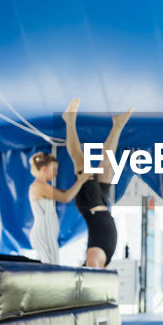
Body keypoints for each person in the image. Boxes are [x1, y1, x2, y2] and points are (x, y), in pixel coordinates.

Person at [63, 100, 131, 268]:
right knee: (108, 163)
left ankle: (69, 120)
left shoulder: (93, 262)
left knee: (80, 160)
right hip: (101, 204)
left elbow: (91, 269)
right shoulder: (103, 263)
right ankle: (118, 125)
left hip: (91, 204)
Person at [28, 115, 90, 265]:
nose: (56, 173)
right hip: (44, 232)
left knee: (49, 264)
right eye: (53, 169)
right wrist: (81, 180)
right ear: (43, 168)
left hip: (46, 231)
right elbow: (66, 197)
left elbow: (63, 193)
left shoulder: (43, 186)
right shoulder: (40, 187)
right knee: (49, 266)